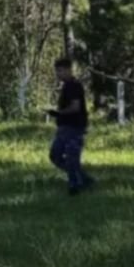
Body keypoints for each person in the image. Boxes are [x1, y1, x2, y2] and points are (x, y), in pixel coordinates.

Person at [45, 57, 95, 195]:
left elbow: (75, 107)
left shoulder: (74, 86)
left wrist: (59, 113)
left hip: (74, 126)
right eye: (57, 71)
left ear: (69, 70)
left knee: (72, 157)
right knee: (55, 155)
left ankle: (75, 185)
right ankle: (84, 179)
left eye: (60, 71)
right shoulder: (66, 86)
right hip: (64, 127)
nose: (58, 74)